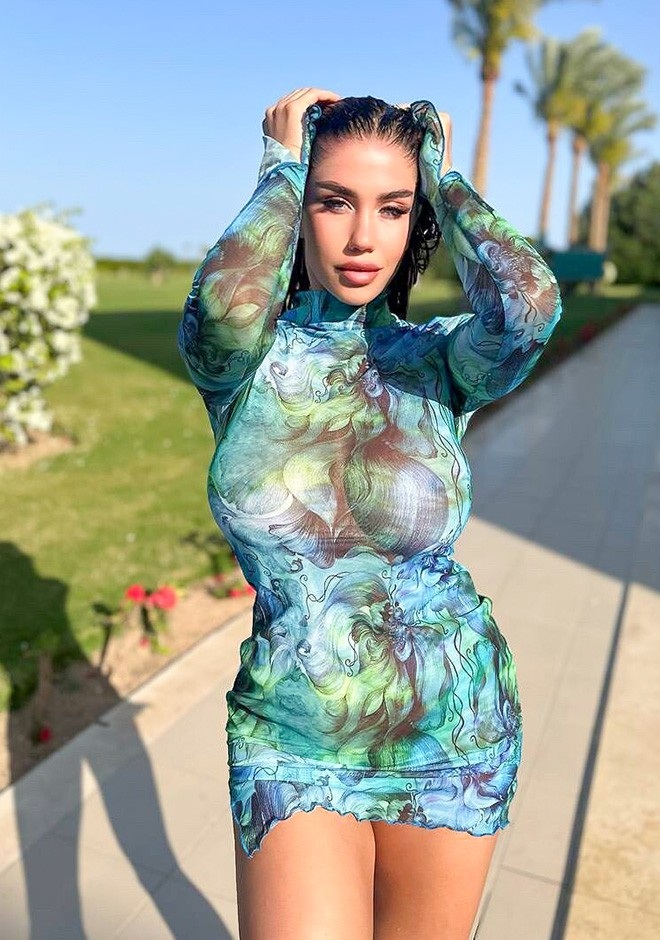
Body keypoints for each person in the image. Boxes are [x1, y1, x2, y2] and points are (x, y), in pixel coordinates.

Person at [178, 86, 562, 939]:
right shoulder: (242, 365)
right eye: (334, 201)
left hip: (453, 731)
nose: (363, 237)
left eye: (393, 207)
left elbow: (530, 307)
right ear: (299, 212)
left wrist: (446, 181)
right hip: (292, 736)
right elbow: (229, 306)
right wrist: (280, 170)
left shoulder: (441, 361)